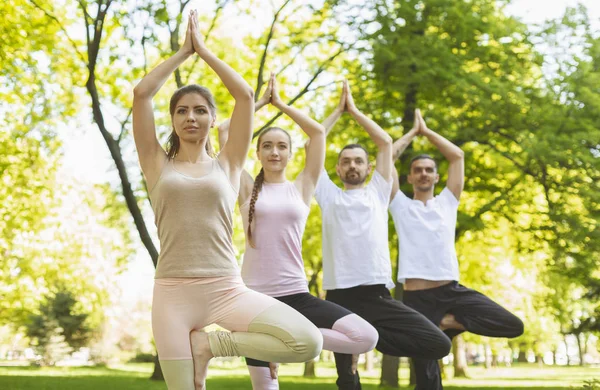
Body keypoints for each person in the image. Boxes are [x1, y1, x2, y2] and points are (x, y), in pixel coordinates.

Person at [132, 11, 322, 390]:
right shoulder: (156, 164)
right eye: (182, 111)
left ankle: (211, 345)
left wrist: (203, 51)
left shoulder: (229, 163)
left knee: (308, 341)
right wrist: (182, 54)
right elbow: (142, 94)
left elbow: (245, 95)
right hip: (172, 293)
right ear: (172, 120)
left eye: (200, 110)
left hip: (226, 288)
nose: (191, 117)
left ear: (213, 119)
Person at [217, 74, 378, 390]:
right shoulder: (246, 186)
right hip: (255, 298)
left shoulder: (302, 187)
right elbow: (223, 131)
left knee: (365, 337)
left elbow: (317, 133)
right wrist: (260, 102)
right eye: (267, 146)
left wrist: (281, 103)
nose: (274, 152)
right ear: (257, 153)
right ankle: (262, 340)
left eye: (281, 146)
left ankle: (277, 340)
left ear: (291, 153)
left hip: (296, 295)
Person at [314, 81, 452, 389]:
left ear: (369, 168)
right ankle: (357, 346)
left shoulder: (378, 191)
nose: (352, 165)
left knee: (438, 344)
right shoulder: (327, 194)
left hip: (376, 294)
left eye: (358, 161)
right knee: (346, 376)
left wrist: (355, 111)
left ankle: (370, 341)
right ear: (337, 169)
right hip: (339, 295)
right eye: (346, 161)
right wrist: (338, 112)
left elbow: (385, 142)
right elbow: (314, 141)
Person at [389, 109, 524, 389]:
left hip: (453, 293)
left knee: (513, 325)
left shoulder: (448, 202)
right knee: (426, 378)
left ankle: (448, 322)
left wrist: (427, 132)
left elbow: (457, 156)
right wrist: (412, 133)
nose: (424, 173)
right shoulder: (399, 205)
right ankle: (439, 323)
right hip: (418, 300)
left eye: (429, 170)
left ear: (437, 177)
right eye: (418, 170)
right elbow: (387, 157)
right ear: (410, 178)